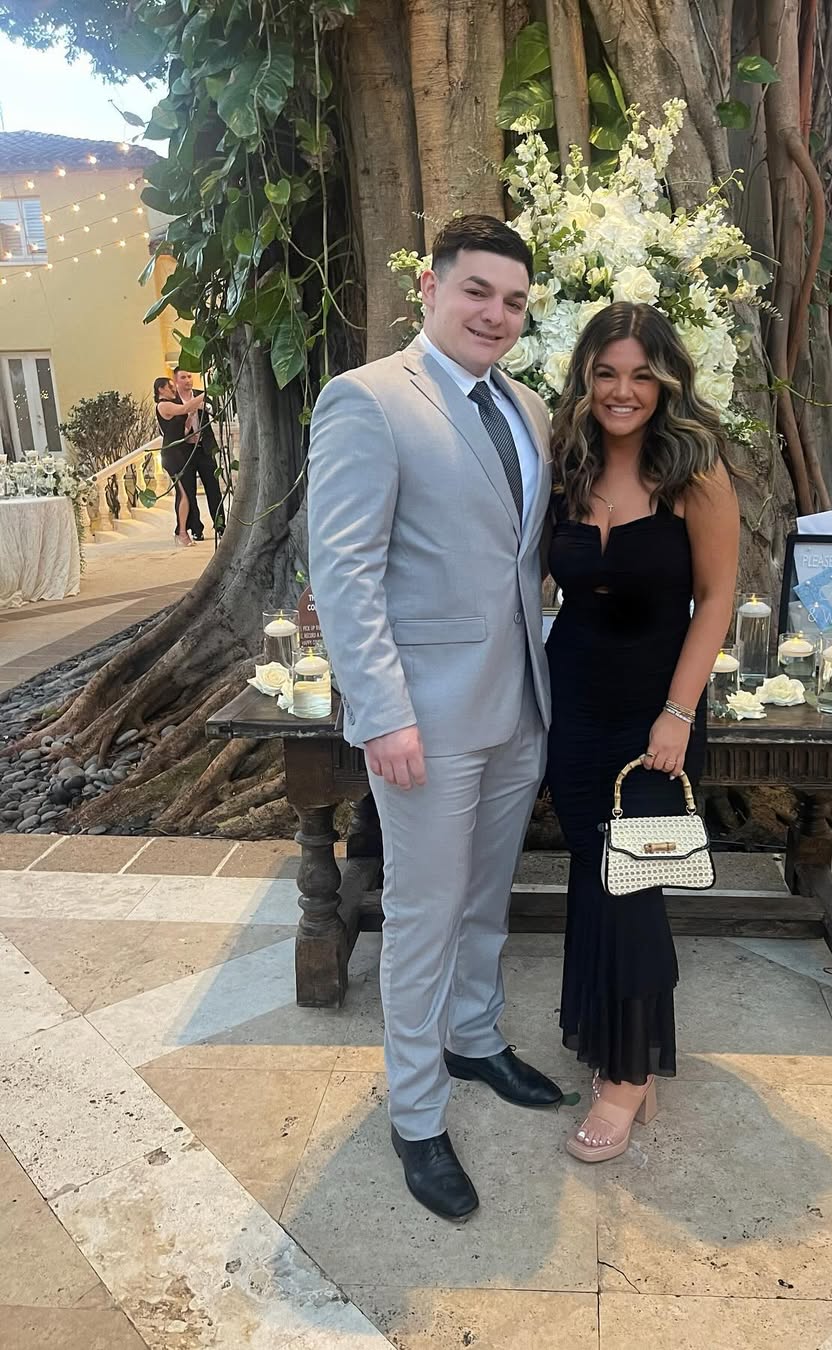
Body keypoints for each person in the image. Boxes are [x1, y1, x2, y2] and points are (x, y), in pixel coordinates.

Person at [307, 215, 561, 1223]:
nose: (496, 314)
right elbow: (346, 570)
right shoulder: (368, 399)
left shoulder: (529, 408)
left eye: (514, 301)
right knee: (423, 915)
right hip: (423, 720)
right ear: (431, 286)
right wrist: (381, 714)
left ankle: (474, 1037)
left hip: (519, 704)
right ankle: (416, 1113)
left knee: (487, 895)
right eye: (478, 291)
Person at [544, 302, 739, 1163]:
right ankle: (606, 1037)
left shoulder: (695, 471)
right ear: (585, 379)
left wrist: (678, 712)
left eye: (640, 375)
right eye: (606, 373)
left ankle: (630, 1073)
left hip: (656, 711)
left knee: (635, 883)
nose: (622, 391)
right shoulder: (566, 465)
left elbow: (718, 598)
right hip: (572, 704)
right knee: (595, 872)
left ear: (665, 383)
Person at [173, 368, 226, 539]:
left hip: (205, 448)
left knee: (213, 488)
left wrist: (206, 407)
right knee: (189, 491)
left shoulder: (201, 395)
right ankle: (196, 529)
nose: (187, 380)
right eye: (183, 377)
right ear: (176, 381)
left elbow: (218, 413)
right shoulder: (173, 401)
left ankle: (220, 525)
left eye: (189, 376)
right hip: (185, 451)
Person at [154, 375, 202, 547]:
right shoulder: (163, 405)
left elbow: (183, 429)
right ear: (161, 389)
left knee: (187, 493)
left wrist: (190, 418)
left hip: (180, 452)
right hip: (172, 454)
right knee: (183, 494)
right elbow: (185, 408)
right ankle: (181, 533)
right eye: (171, 387)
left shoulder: (171, 405)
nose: (174, 390)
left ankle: (182, 531)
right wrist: (205, 394)